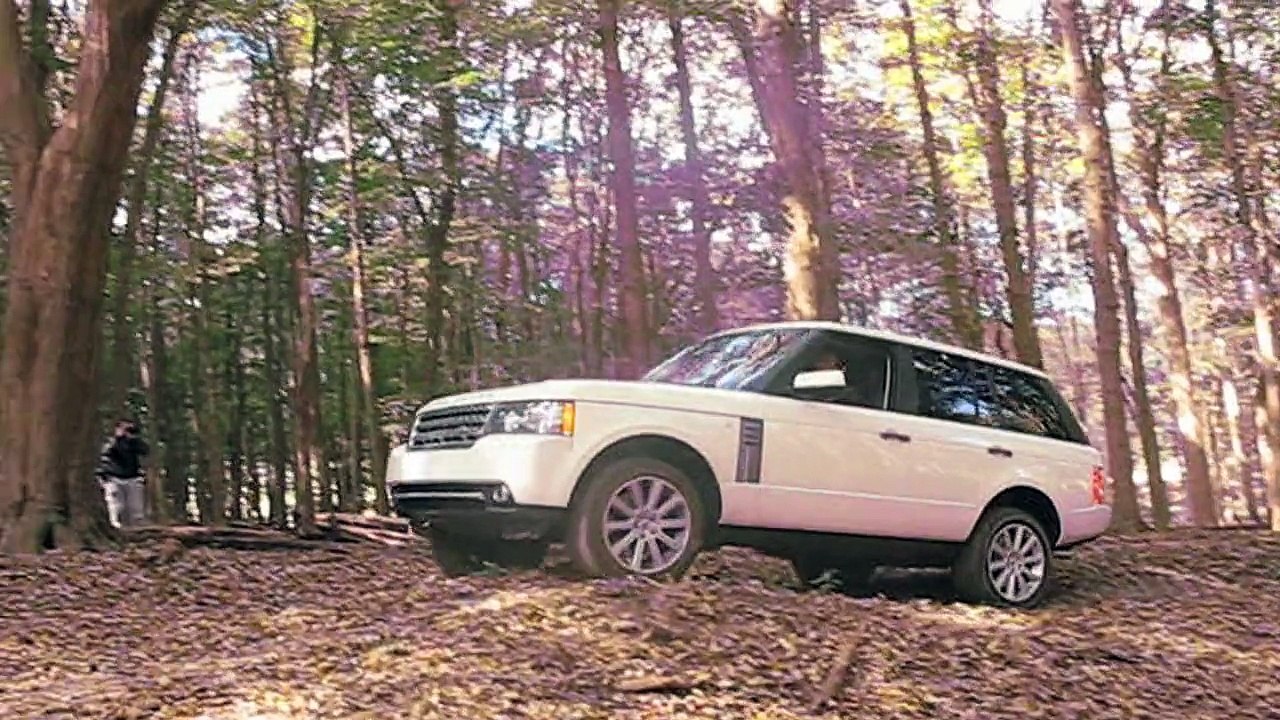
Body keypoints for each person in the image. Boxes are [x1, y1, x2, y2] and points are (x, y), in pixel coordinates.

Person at [97, 419, 150, 528]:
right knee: (117, 508)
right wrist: (118, 438)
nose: (128, 431)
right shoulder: (111, 442)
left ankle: (137, 530)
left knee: (135, 508)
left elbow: (145, 450)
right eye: (125, 428)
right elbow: (106, 454)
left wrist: (134, 439)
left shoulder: (134, 443)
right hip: (114, 478)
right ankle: (118, 529)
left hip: (133, 478)